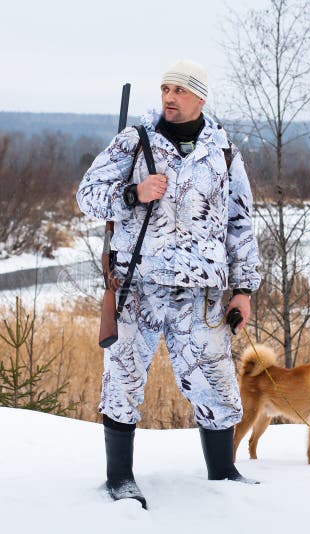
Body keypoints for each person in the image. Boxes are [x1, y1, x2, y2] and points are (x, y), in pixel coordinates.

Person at [76, 59, 261, 508]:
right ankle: (120, 478)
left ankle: (222, 473)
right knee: (122, 380)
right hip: (138, 286)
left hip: (201, 294)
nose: (169, 97)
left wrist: (243, 288)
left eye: (179, 89)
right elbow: (87, 195)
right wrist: (132, 194)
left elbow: (240, 222)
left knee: (214, 381)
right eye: (164, 88)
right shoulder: (134, 142)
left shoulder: (224, 151)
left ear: (200, 98)